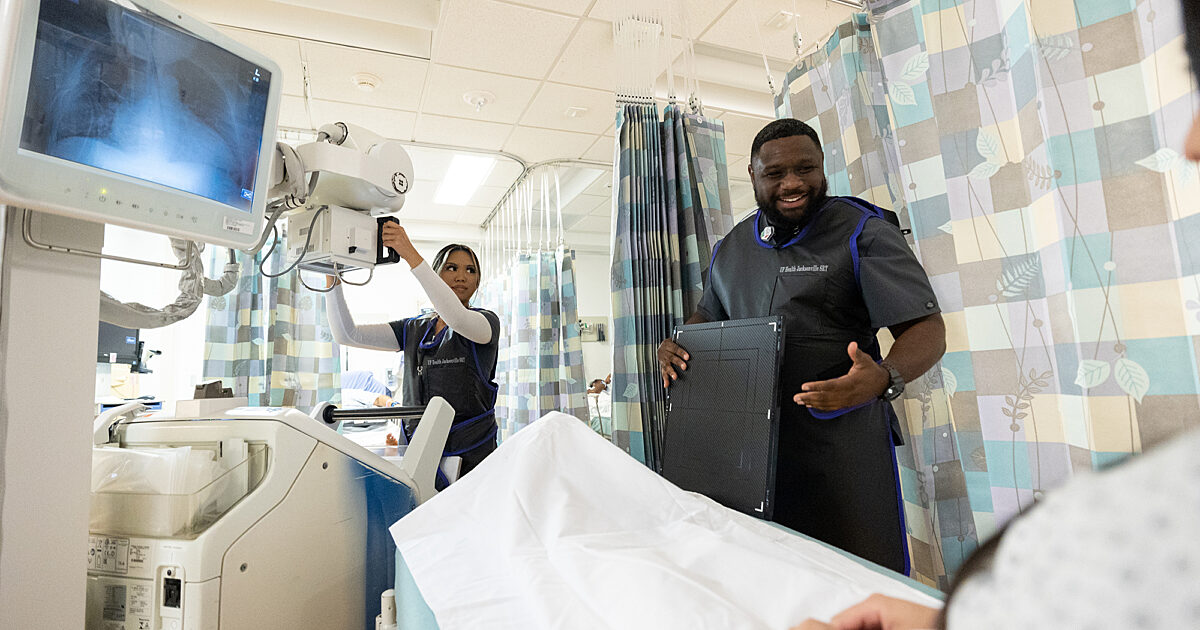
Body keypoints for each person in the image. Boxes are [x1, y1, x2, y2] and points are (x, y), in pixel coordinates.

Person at [657, 119, 946, 574]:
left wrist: (883, 377)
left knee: (856, 573)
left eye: (805, 169)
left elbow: (927, 329)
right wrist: (677, 345)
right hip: (748, 450)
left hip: (840, 446)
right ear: (752, 175)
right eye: (775, 173)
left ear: (822, 166)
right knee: (764, 572)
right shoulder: (731, 248)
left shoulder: (862, 232)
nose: (792, 183)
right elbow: (707, 317)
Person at [326, 222, 499, 486]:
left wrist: (408, 253)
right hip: (420, 451)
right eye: (451, 268)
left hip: (471, 456)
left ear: (477, 280)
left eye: (470, 270)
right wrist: (331, 277)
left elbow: (456, 318)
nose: (461, 276)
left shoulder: (485, 323)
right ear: (437, 274)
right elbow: (347, 334)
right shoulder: (414, 329)